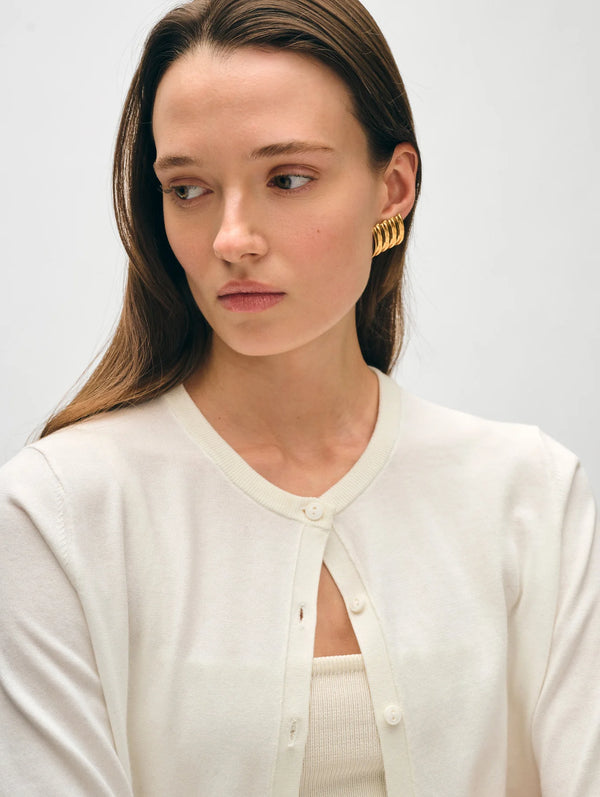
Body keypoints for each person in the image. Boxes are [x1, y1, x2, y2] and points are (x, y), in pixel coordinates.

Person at [1, 0, 598, 794]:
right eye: (188, 189)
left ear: (393, 187)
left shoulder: (532, 497)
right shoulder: (59, 514)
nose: (231, 238)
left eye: (287, 179)